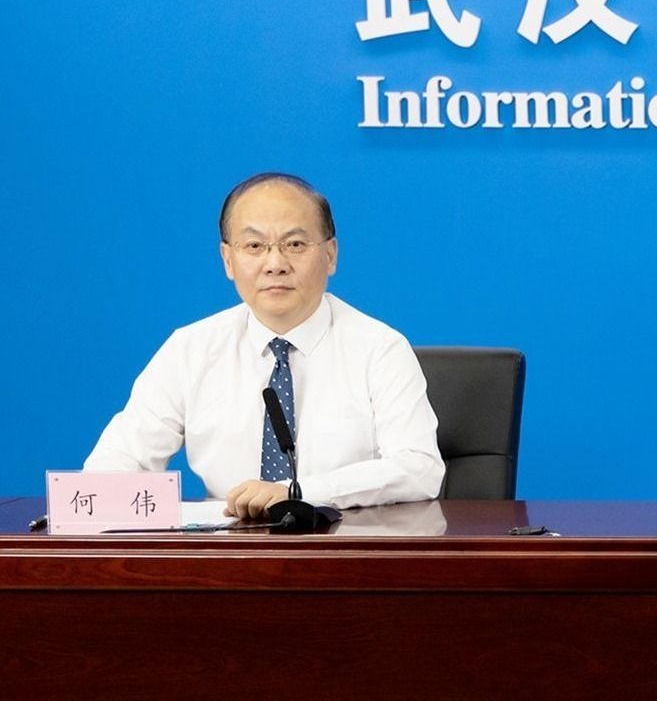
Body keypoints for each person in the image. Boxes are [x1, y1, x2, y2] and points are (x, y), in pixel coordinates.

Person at [86, 172, 444, 515]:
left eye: (295, 244)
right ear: (228, 260)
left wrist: (300, 492)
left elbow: (419, 468)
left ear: (330, 255)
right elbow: (115, 463)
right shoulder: (191, 349)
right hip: (228, 548)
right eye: (254, 246)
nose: (275, 264)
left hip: (346, 544)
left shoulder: (379, 349)